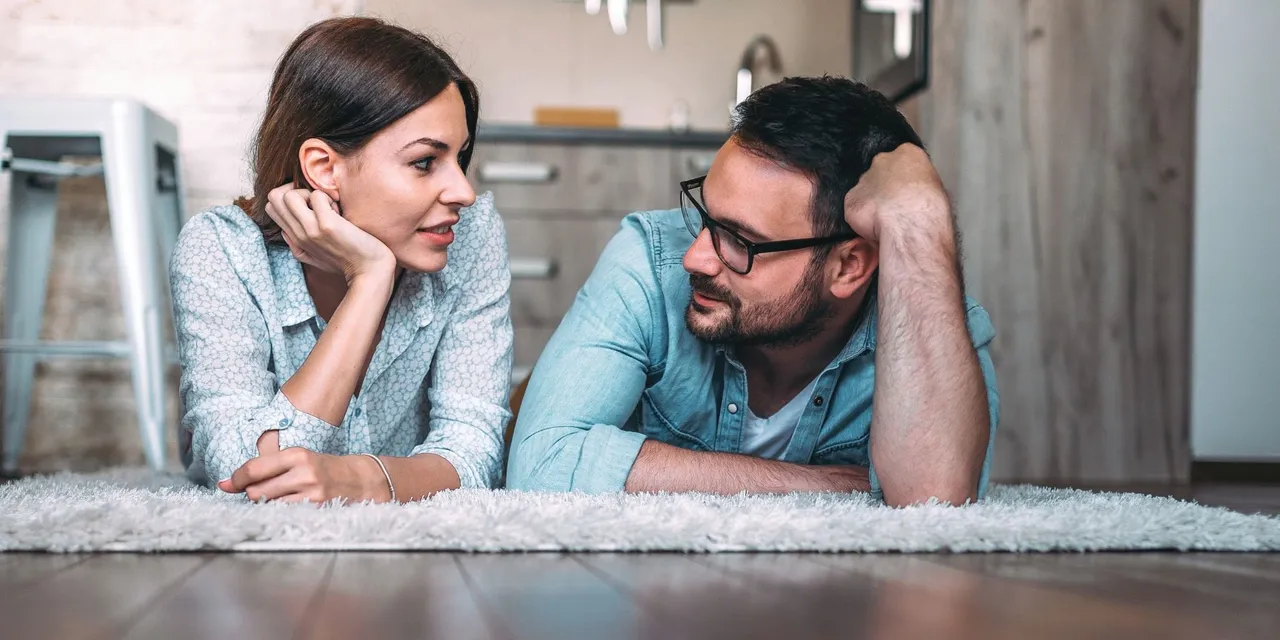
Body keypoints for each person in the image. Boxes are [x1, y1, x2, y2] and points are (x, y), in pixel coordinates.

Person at [506, 76, 999, 506]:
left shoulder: (933, 323)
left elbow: (933, 499)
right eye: (704, 216)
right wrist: (826, 487)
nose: (695, 258)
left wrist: (920, 215)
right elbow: (541, 465)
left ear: (849, 266)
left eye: (740, 240)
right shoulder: (647, 263)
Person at [169, 16, 512, 503]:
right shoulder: (221, 252)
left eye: (460, 158)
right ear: (325, 168)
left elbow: (474, 451)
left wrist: (365, 480)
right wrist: (370, 279)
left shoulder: (471, 238)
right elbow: (247, 473)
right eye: (424, 162)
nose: (464, 192)